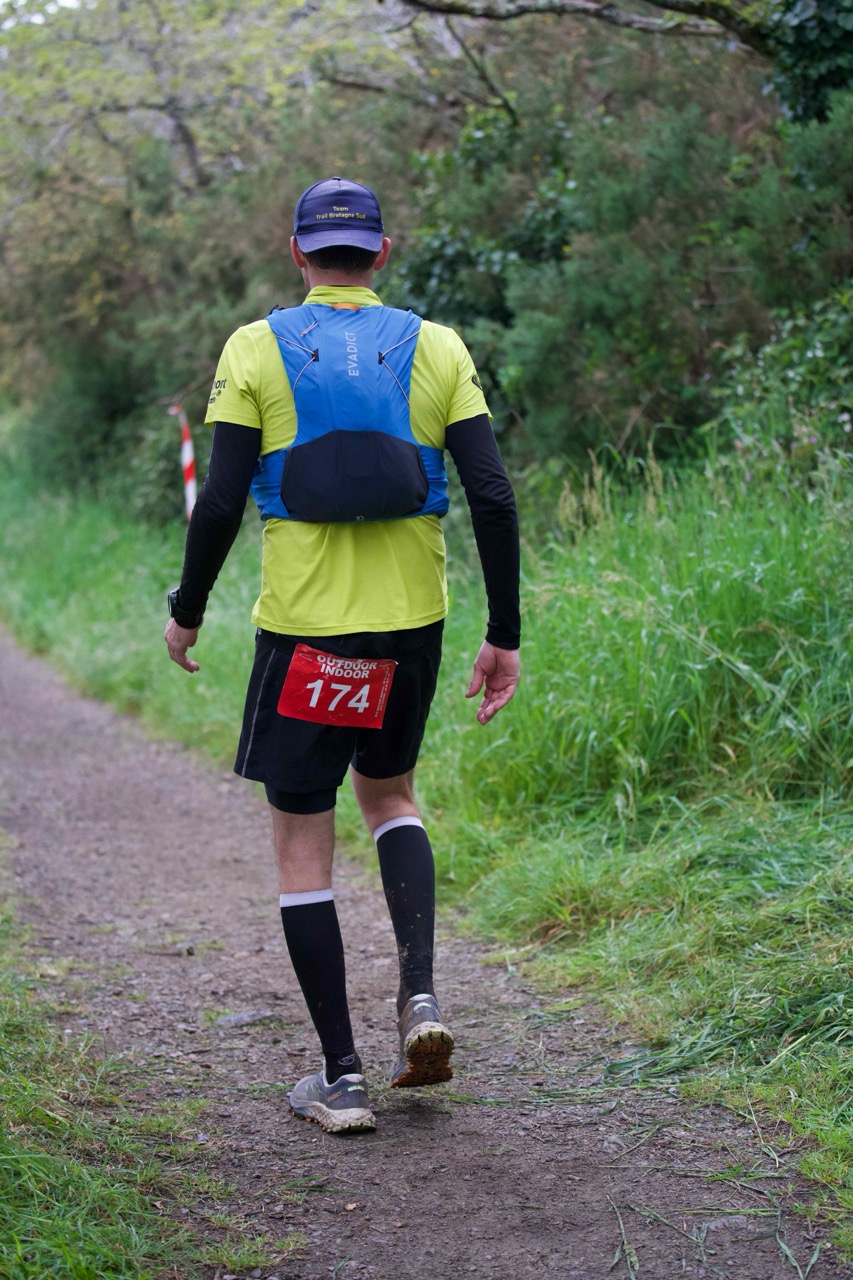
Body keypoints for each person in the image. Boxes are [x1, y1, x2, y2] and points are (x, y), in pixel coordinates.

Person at [164, 176, 520, 1134]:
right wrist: (504, 633)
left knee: (301, 833)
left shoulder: (254, 347)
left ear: (297, 254)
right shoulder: (439, 346)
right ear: (381, 252)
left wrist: (187, 609)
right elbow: (491, 496)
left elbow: (222, 501)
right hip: (411, 626)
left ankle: (341, 1077)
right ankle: (421, 997)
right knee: (391, 796)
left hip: (306, 632)